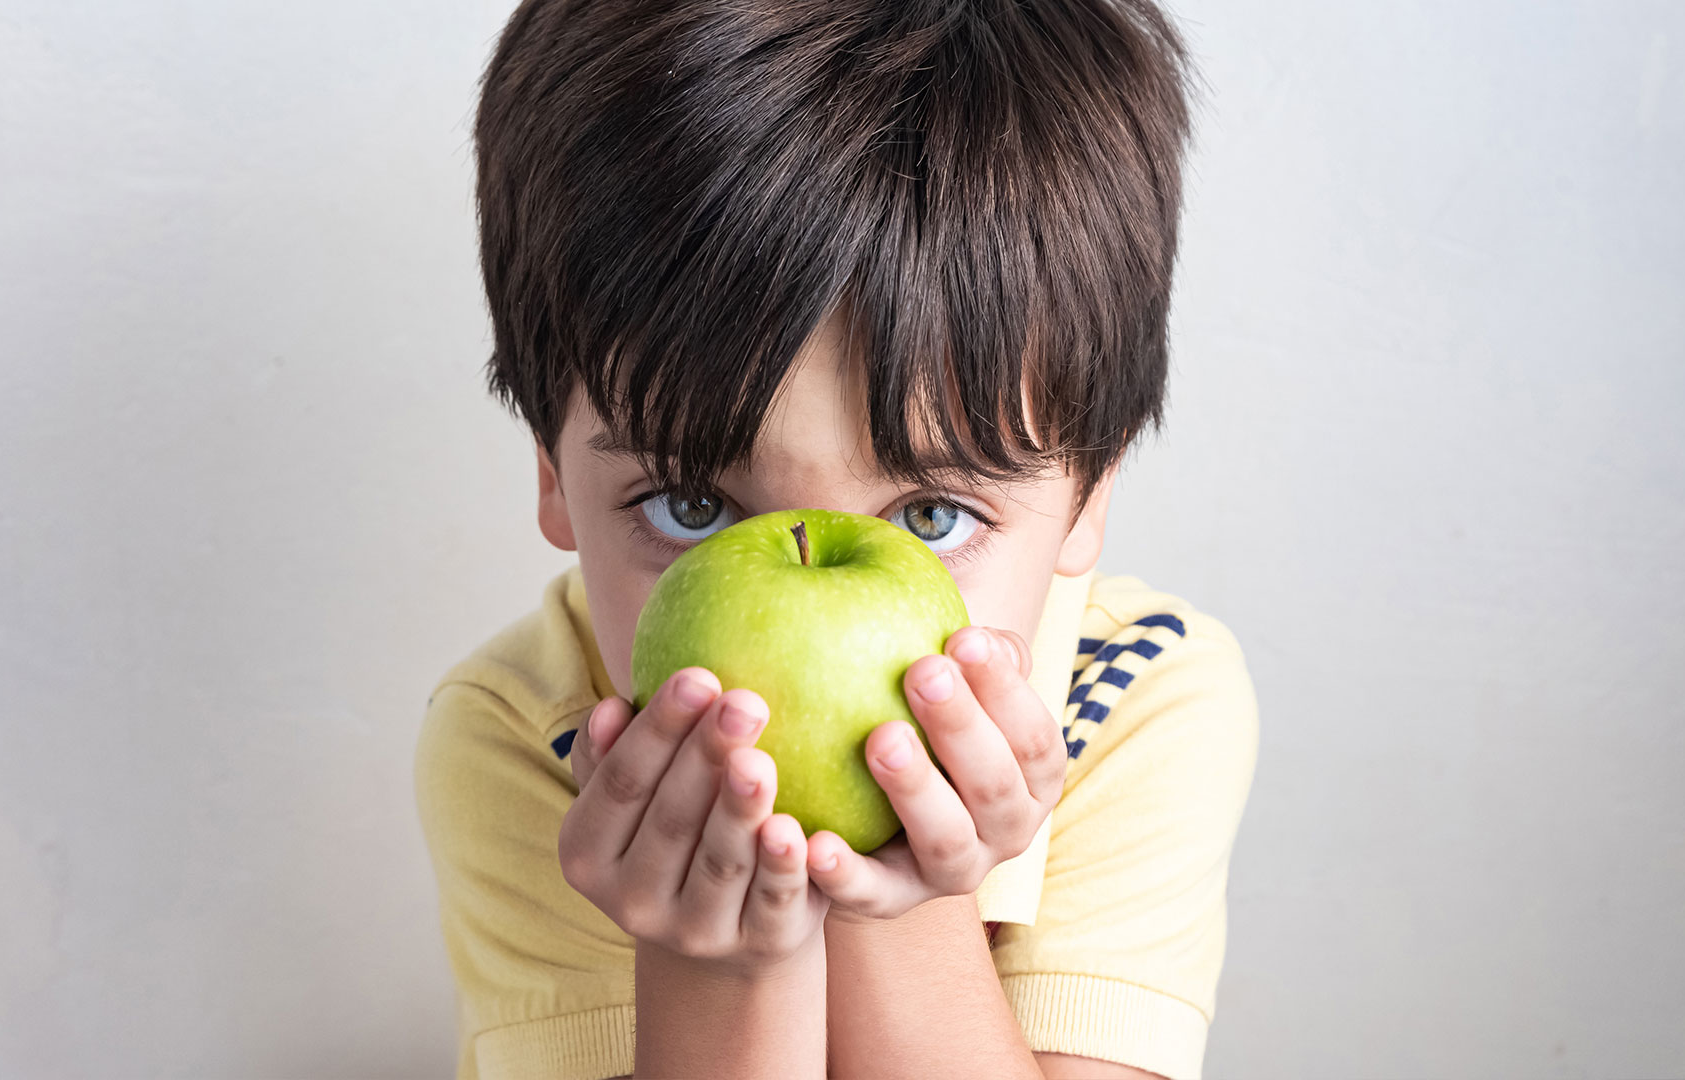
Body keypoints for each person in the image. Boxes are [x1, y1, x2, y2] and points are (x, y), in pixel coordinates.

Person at [413, 1, 1260, 1077]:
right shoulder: (534, 746)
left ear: (1089, 494)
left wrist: (901, 905)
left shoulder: (1135, 702)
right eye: (689, 504)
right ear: (551, 469)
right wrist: (720, 968)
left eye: (931, 517)